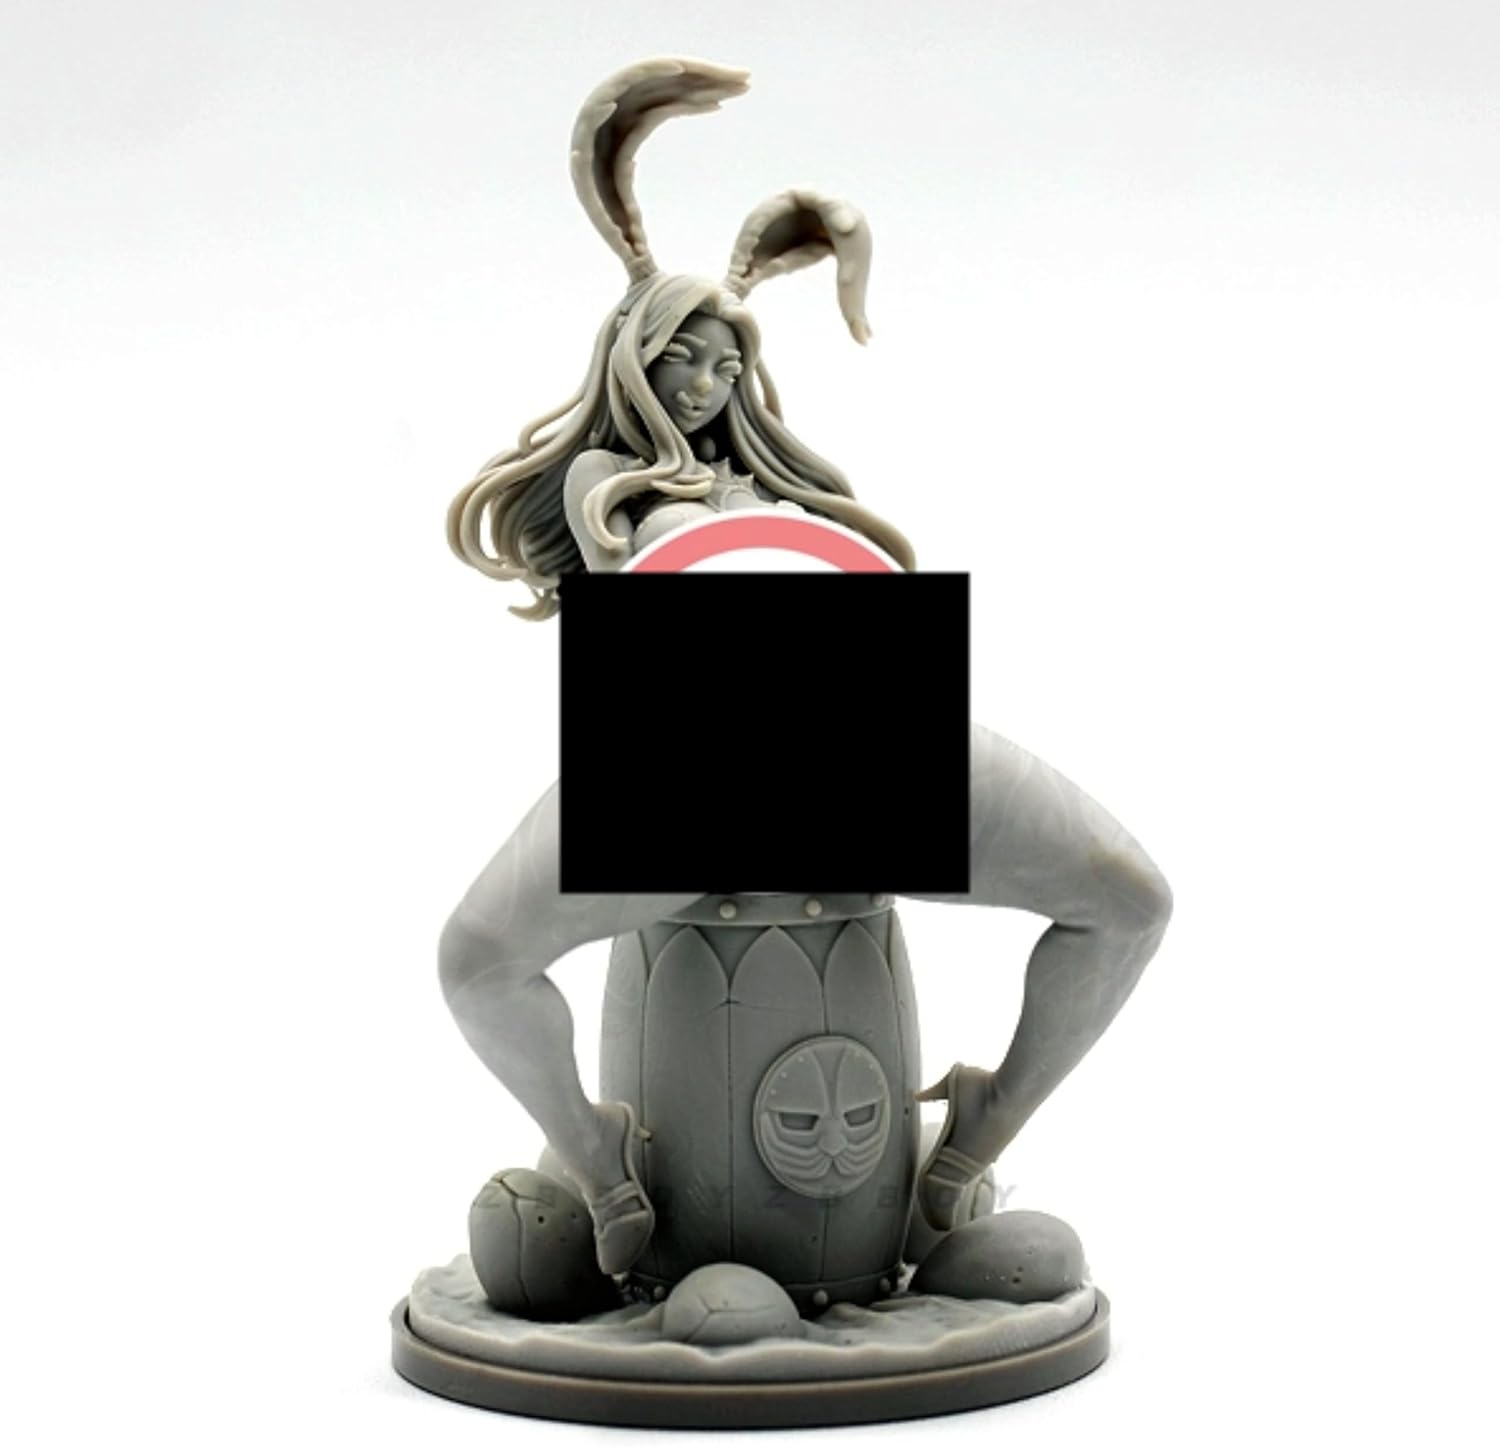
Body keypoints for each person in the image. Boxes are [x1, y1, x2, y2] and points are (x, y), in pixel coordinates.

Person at [438, 58, 1172, 1278]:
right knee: (474, 957)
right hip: (687, 766)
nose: (708, 384)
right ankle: (595, 1155)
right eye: (684, 358)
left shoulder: (786, 490)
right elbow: (633, 597)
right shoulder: (611, 484)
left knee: (1129, 898)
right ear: (632, 358)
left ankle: (978, 1131)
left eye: (727, 364)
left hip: (867, 739)